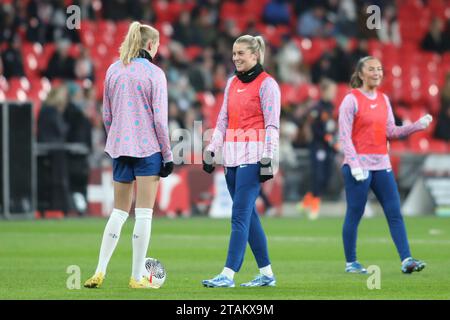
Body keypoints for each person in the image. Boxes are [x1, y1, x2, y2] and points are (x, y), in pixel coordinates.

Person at [84, 21, 173, 289]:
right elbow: (160, 121)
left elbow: (106, 115)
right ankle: (136, 277)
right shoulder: (155, 74)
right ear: (150, 45)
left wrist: (117, 137)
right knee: (144, 214)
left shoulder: (113, 70)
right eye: (157, 45)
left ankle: (99, 270)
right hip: (148, 149)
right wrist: (167, 155)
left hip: (120, 148)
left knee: (119, 212)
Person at [338, 56, 433, 274]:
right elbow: (345, 137)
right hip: (359, 167)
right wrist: (353, 165)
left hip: (381, 165)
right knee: (355, 213)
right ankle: (351, 262)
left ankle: (406, 259)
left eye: (379, 69)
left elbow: (391, 131)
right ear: (361, 74)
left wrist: (417, 126)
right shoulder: (351, 100)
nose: (377, 73)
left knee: (394, 212)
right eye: (372, 69)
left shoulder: (383, 99)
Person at [202, 35, 280, 287]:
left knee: (238, 216)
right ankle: (267, 274)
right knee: (249, 217)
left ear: (255, 56)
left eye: (241, 54)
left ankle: (228, 274)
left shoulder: (268, 85)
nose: (236, 58)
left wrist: (269, 157)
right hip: (231, 159)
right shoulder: (231, 83)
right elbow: (223, 119)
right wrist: (212, 149)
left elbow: (272, 124)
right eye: (234, 53)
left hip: (254, 157)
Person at [300, 79, 338, 219]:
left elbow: (333, 127)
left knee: (327, 177)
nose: (334, 93)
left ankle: (306, 201)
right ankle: (314, 205)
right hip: (318, 146)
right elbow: (315, 129)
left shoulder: (332, 107)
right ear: (324, 91)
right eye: (332, 91)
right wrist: (328, 138)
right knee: (318, 176)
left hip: (329, 147)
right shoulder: (317, 108)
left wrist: (334, 141)